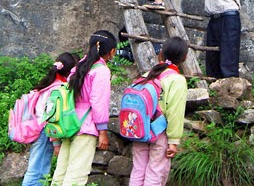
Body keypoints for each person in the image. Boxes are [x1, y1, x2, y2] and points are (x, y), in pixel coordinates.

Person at [51, 30, 117, 186]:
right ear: (112, 51)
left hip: (69, 124)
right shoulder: (101, 71)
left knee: (60, 175)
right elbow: (98, 103)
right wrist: (102, 131)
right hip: (85, 127)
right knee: (76, 177)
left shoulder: (78, 67)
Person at [128, 36, 188, 186]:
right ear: (185, 58)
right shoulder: (177, 80)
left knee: (138, 170)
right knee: (155, 172)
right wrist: (173, 141)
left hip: (140, 129)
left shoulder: (146, 76)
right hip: (159, 132)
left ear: (160, 54)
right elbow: (175, 112)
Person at [22, 52, 78, 186]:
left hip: (39, 128)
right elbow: (52, 117)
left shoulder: (48, 84)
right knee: (38, 170)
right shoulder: (58, 88)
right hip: (45, 132)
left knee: (38, 167)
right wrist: (56, 143)